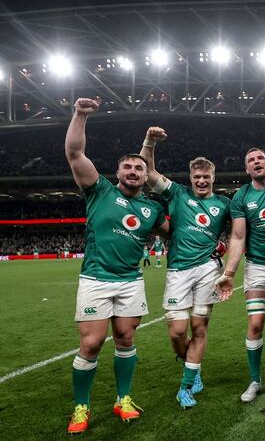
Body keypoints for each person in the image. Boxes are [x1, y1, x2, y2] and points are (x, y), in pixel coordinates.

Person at [64, 98, 169, 434]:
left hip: (130, 281)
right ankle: (81, 406)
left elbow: (178, 232)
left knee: (125, 338)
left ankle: (123, 398)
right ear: (119, 172)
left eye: (140, 168)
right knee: (92, 344)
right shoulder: (99, 191)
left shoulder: (152, 210)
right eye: (128, 167)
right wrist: (80, 115)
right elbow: (75, 154)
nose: (134, 172)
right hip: (96, 278)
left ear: (144, 175)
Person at [139, 128, 232, 409]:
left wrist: (228, 262)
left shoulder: (224, 204)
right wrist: (150, 142)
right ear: (190, 178)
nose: (202, 180)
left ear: (213, 178)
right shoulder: (177, 194)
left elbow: (240, 233)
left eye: (206, 177)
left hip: (208, 270)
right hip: (178, 270)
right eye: (197, 177)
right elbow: (148, 171)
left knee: (199, 327)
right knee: (177, 332)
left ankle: (187, 386)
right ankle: (191, 361)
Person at [214, 146, 265, 403]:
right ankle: (254, 380)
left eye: (261, 157)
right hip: (257, 266)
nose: (256, 162)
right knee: (256, 323)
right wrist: (229, 272)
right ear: (247, 169)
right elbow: (238, 236)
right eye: (251, 160)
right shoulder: (241, 197)